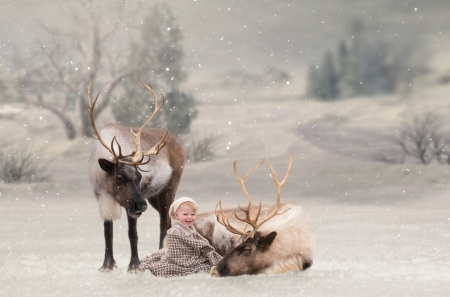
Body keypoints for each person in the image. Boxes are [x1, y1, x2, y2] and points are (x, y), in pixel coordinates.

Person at [140, 197, 223, 277]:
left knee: (207, 261)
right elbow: (190, 244)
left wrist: (203, 245)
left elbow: (198, 239)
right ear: (176, 215)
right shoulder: (175, 230)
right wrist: (204, 246)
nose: (189, 217)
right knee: (205, 267)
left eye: (192, 214)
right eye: (185, 214)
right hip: (181, 259)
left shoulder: (190, 228)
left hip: (190, 255)